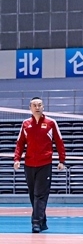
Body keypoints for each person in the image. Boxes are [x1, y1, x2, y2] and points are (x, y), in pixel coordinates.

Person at [13, 97, 66, 233]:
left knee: (40, 194)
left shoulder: (51, 123)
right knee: (33, 194)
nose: (37, 107)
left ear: (43, 107)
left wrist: (62, 161)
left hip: (45, 164)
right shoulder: (25, 124)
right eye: (34, 105)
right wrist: (17, 159)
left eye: (39, 105)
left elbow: (59, 142)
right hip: (29, 164)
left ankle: (36, 222)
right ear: (30, 108)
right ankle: (42, 221)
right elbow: (20, 143)